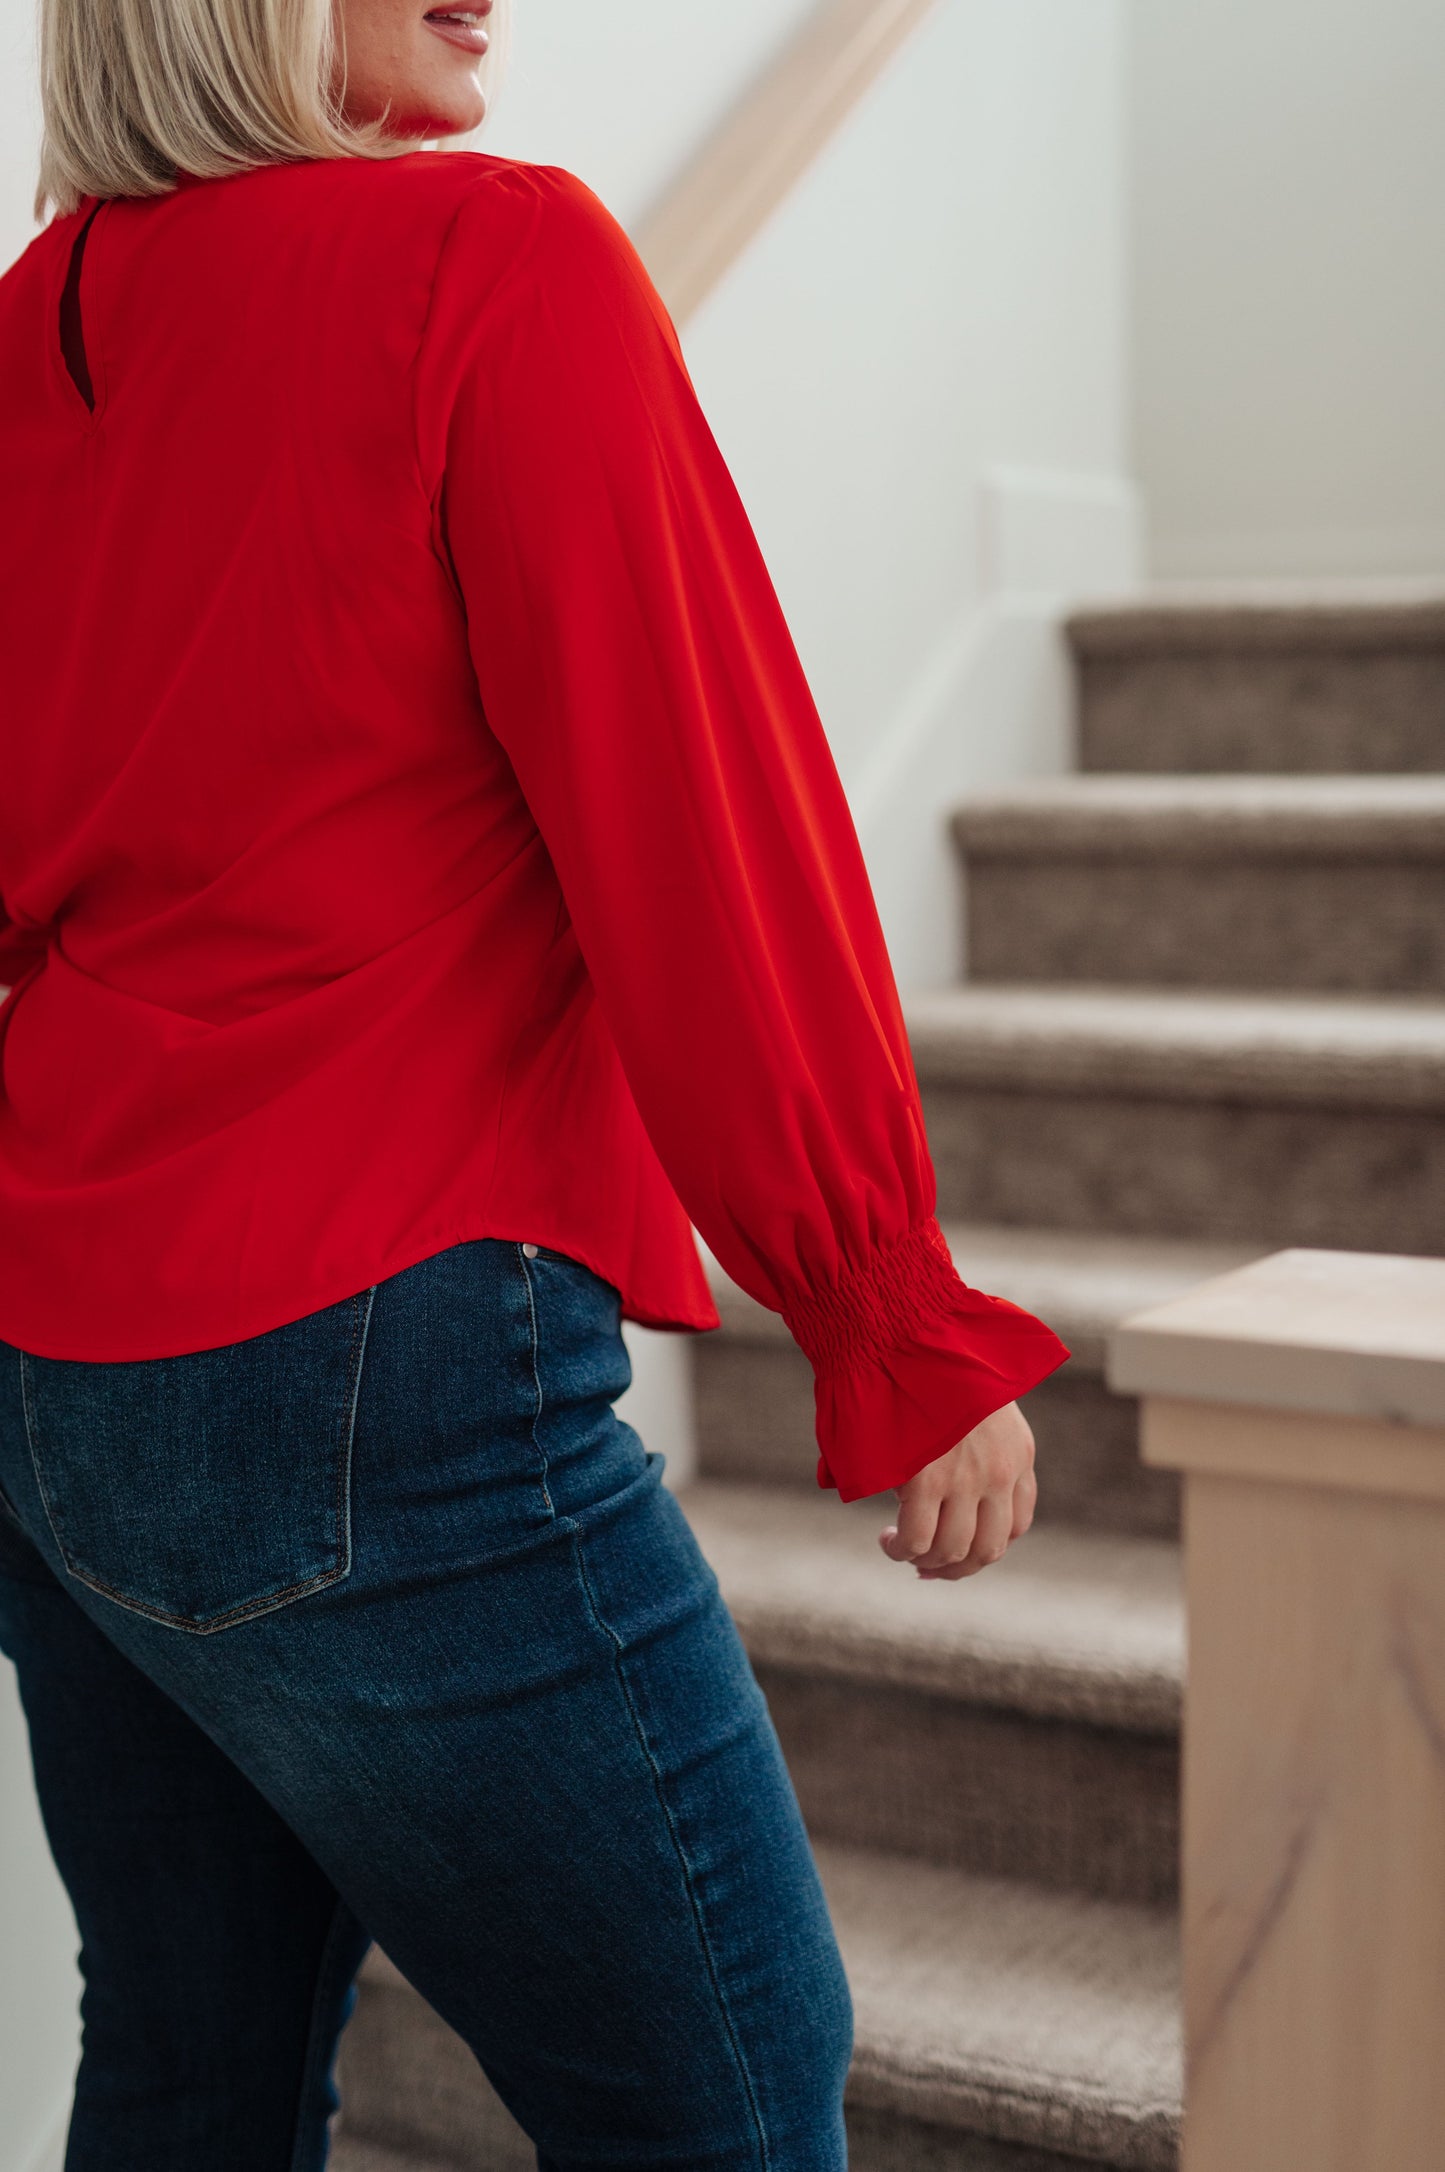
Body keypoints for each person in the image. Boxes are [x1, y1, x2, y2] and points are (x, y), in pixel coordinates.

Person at [0, 0, 1069, 2165]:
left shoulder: (21, 338)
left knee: (186, 2074)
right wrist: (880, 1303)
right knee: (732, 2103)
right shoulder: (487, 268)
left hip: (48, 1367)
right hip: (370, 1352)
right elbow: (699, 825)